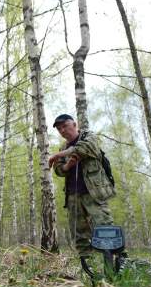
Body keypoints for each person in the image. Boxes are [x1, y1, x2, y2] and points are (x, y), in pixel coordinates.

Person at [47, 114, 116, 266]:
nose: (62, 130)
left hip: (94, 194)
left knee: (104, 227)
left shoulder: (89, 137)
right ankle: (88, 268)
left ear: (74, 124)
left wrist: (59, 155)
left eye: (65, 126)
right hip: (73, 196)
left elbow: (84, 148)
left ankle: (115, 264)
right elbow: (58, 170)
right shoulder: (63, 147)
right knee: (79, 233)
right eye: (59, 129)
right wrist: (67, 166)